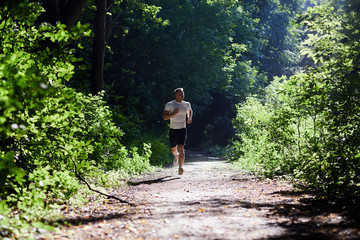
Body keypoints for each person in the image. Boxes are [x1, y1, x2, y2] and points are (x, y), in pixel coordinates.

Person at [163, 88, 192, 175]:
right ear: (176, 95)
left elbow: (189, 110)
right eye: (180, 94)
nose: (182, 96)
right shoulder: (170, 104)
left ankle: (181, 167)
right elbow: (164, 117)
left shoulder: (186, 104)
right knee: (173, 149)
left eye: (183, 94)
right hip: (173, 129)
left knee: (181, 147)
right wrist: (174, 114)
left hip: (182, 128)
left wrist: (189, 118)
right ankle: (176, 156)